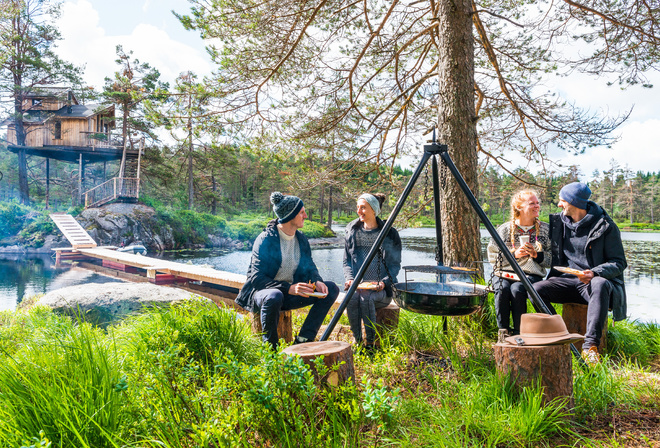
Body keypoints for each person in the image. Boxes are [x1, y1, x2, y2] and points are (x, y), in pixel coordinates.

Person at [533, 182, 627, 363]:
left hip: (592, 286)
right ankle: (560, 334)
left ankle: (590, 347)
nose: (559, 205)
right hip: (566, 281)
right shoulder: (559, 223)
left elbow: (619, 262)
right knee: (535, 289)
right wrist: (536, 255)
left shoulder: (606, 226)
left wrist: (594, 273)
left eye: (562, 201)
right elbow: (553, 257)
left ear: (573, 202)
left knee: (599, 283)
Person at [235, 191, 339, 349]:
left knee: (331, 289)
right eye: (302, 212)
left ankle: (304, 339)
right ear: (291, 215)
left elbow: (309, 266)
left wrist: (317, 281)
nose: (305, 216)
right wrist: (288, 288)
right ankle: (271, 350)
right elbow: (257, 279)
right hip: (262, 295)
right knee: (274, 295)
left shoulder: (301, 239)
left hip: (289, 295)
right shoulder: (265, 240)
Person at [487, 190, 551, 336]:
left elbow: (552, 260)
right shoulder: (504, 230)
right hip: (504, 273)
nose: (537, 206)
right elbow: (492, 257)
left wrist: (536, 255)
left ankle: (519, 333)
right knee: (502, 289)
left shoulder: (545, 230)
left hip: (530, 274)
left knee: (517, 290)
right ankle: (503, 332)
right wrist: (514, 255)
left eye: (537, 203)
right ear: (519, 207)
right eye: (532, 203)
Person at [343, 193, 401, 348]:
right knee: (352, 297)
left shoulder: (389, 233)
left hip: (381, 290)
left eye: (363, 207)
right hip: (359, 285)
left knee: (366, 298)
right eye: (357, 207)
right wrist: (349, 278)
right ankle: (357, 340)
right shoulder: (352, 231)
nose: (359, 211)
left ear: (374, 210)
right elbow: (346, 261)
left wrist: (383, 282)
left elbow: (395, 266)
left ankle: (370, 342)